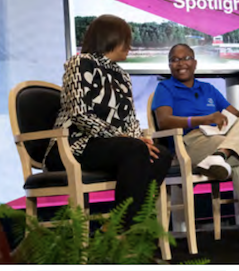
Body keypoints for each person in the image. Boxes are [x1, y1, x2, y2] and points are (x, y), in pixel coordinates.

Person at [152, 43, 239, 252]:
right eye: (174, 59)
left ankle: (222, 155)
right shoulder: (165, 88)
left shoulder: (208, 89)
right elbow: (163, 121)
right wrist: (204, 118)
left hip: (221, 139)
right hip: (192, 142)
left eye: (186, 58)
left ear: (195, 62)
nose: (180, 63)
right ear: (169, 65)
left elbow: (237, 117)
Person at [45, 14, 173, 227]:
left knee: (161, 155)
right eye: (126, 39)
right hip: (73, 146)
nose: (130, 46)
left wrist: (141, 140)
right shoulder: (80, 63)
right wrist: (124, 138)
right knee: (134, 149)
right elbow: (79, 113)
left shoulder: (122, 76)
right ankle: (122, 228)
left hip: (110, 146)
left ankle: (124, 226)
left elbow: (130, 119)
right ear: (110, 38)